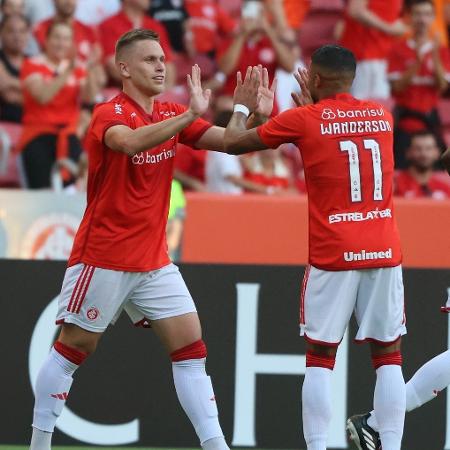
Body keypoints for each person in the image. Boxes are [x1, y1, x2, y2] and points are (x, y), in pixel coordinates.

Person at [28, 28, 275, 450]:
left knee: (192, 349)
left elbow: (231, 143)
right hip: (104, 256)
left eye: (162, 58)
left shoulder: (171, 112)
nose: (160, 65)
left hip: (154, 262)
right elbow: (127, 143)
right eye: (149, 59)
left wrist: (247, 112)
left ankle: (217, 446)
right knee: (73, 349)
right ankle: (39, 443)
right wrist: (186, 117)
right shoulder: (110, 113)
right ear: (123, 68)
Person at [224, 46, 407, 450]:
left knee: (320, 359)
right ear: (352, 78)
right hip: (383, 248)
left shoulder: (305, 119)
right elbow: (336, 137)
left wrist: (242, 109)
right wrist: (313, 111)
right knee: (388, 357)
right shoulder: (382, 116)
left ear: (316, 79)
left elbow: (233, 143)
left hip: (334, 252)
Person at [18, 21, 97, 188]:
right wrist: (67, 72)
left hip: (68, 136)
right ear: (46, 40)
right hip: (38, 135)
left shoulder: (77, 68)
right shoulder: (32, 64)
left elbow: (88, 98)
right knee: (42, 190)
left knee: (71, 189)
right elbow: (43, 96)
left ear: (71, 44)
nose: (61, 43)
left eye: (66, 39)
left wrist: (89, 70)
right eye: (57, 37)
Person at [388, 0, 450, 167]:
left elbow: (443, 87)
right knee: (397, 167)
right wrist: (417, 62)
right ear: (409, 17)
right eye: (417, 14)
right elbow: (397, 87)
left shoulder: (441, 50)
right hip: (405, 119)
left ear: (433, 18)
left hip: (430, 119)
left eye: (427, 14)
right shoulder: (397, 49)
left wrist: (435, 56)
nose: (422, 19)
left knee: (439, 169)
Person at [339, 0, 408, 99]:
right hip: (364, 57)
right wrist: (389, 28)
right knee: (361, 108)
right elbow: (356, 10)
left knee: (378, 108)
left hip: (382, 56)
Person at [98, 0, 176, 87]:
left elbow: (168, 64)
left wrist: (165, 90)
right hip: (121, 91)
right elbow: (114, 67)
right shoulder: (109, 26)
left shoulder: (155, 25)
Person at [33, 0, 106, 90]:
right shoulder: (40, 29)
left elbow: (100, 75)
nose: (68, 1)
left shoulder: (88, 30)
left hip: (84, 92)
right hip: (51, 89)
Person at [394, 130, 450, 199]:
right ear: (408, 152)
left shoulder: (445, 185)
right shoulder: (395, 183)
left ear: (437, 152)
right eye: (418, 148)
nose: (423, 154)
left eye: (428, 149)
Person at [0, 13, 30, 123]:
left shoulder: (34, 61)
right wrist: (34, 91)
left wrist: (12, 83)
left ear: (28, 34)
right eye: (11, 31)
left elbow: (45, 97)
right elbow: (8, 95)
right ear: (1, 32)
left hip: (30, 127)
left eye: (22, 31)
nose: (17, 36)